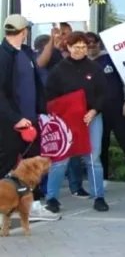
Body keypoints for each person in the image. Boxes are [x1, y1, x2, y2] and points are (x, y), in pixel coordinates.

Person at [0, 15, 60, 221]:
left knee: (32, 163)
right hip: (10, 123)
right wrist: (15, 118)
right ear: (23, 31)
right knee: (6, 162)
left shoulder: (25, 52)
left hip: (31, 119)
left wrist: (40, 110)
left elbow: (35, 84)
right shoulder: (3, 55)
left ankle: (32, 204)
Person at [44, 31, 109, 212]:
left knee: (93, 158)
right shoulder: (59, 69)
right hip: (66, 121)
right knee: (61, 160)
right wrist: (58, 114)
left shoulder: (94, 68)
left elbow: (104, 93)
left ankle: (99, 197)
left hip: (91, 118)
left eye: (83, 47)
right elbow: (49, 95)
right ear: (69, 47)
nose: (81, 50)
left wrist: (94, 110)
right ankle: (52, 198)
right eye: (77, 47)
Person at [87, 33, 125, 181]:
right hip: (96, 112)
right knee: (100, 146)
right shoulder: (83, 64)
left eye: (93, 43)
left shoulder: (111, 58)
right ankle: (102, 179)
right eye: (87, 44)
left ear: (99, 44)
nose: (91, 47)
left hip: (117, 108)